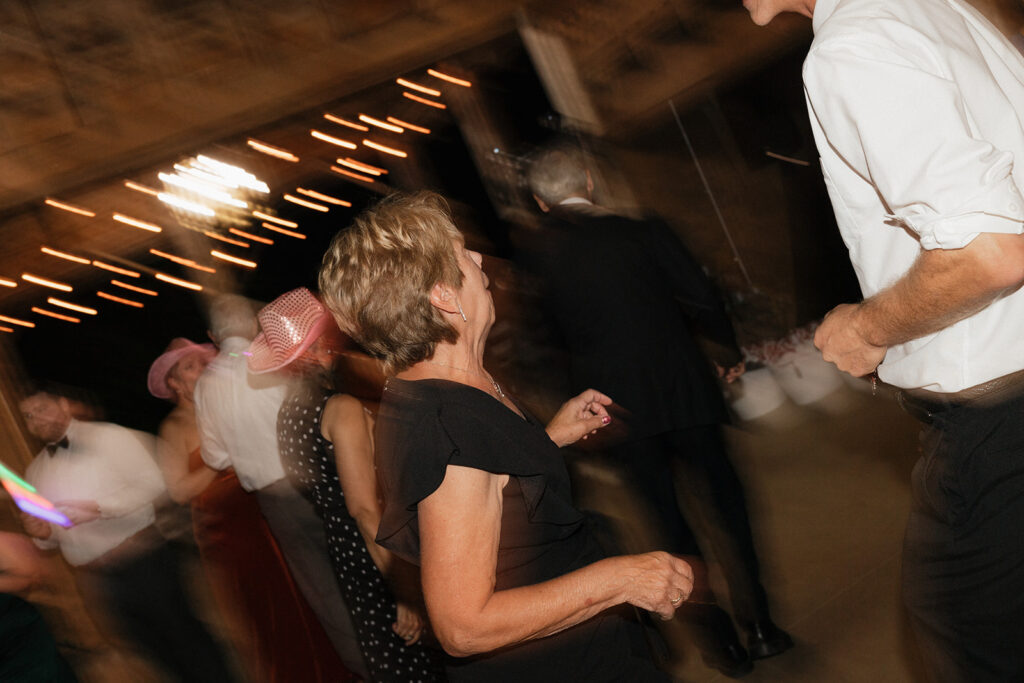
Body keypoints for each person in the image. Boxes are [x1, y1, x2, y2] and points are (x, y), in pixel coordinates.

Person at [747, 0, 1024, 680]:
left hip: (998, 426)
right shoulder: (942, 10)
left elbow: (989, 250)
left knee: (971, 645)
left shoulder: (854, 42)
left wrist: (867, 330)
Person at [318, 190, 695, 682]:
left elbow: (493, 478)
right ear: (443, 296)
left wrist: (547, 438)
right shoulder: (451, 431)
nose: (477, 258)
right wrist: (621, 578)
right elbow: (463, 626)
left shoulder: (440, 383)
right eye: (460, 253)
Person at [523, 144, 792, 676]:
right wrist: (728, 353)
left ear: (540, 201)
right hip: (686, 393)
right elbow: (702, 297)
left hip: (616, 416)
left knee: (670, 528)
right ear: (588, 181)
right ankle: (760, 625)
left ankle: (723, 646)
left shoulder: (540, 259)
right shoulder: (643, 230)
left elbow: (545, 344)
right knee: (728, 510)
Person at [249, 287, 445, 682]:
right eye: (330, 337)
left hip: (346, 550)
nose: (339, 343)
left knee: (395, 661)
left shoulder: (289, 413)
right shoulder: (342, 409)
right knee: (424, 666)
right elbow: (364, 509)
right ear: (320, 348)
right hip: (378, 552)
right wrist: (402, 589)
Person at [148, 337, 353, 683]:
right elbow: (180, 490)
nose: (199, 369)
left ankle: (341, 665)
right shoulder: (174, 428)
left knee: (308, 589)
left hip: (262, 510)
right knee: (269, 606)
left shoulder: (224, 397)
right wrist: (221, 458)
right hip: (230, 530)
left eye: (199, 362)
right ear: (175, 384)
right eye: (188, 367)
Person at [193, 294, 370, 680]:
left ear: (212, 335)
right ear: (254, 327)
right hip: (321, 478)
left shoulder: (205, 387)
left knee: (322, 589)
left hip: (275, 500)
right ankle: (399, 646)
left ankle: (364, 668)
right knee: (362, 563)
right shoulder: (274, 359)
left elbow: (216, 458)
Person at [18, 385, 234, 682]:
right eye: (28, 416)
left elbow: (157, 484)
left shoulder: (112, 437)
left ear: (65, 405)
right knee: (154, 655)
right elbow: (51, 537)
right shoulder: (35, 473)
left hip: (145, 563)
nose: (36, 419)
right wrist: (41, 533)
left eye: (42, 408)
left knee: (191, 644)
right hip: (100, 582)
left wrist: (100, 507)